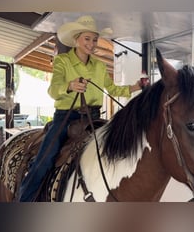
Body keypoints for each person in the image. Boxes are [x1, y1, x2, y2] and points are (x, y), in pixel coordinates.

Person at [18, 15, 143, 202]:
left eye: (94, 39)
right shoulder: (62, 61)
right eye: (87, 39)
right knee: (44, 160)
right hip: (66, 118)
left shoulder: (100, 66)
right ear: (76, 39)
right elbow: (53, 90)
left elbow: (115, 89)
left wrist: (137, 86)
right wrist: (70, 86)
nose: (91, 44)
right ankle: (23, 202)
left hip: (94, 117)